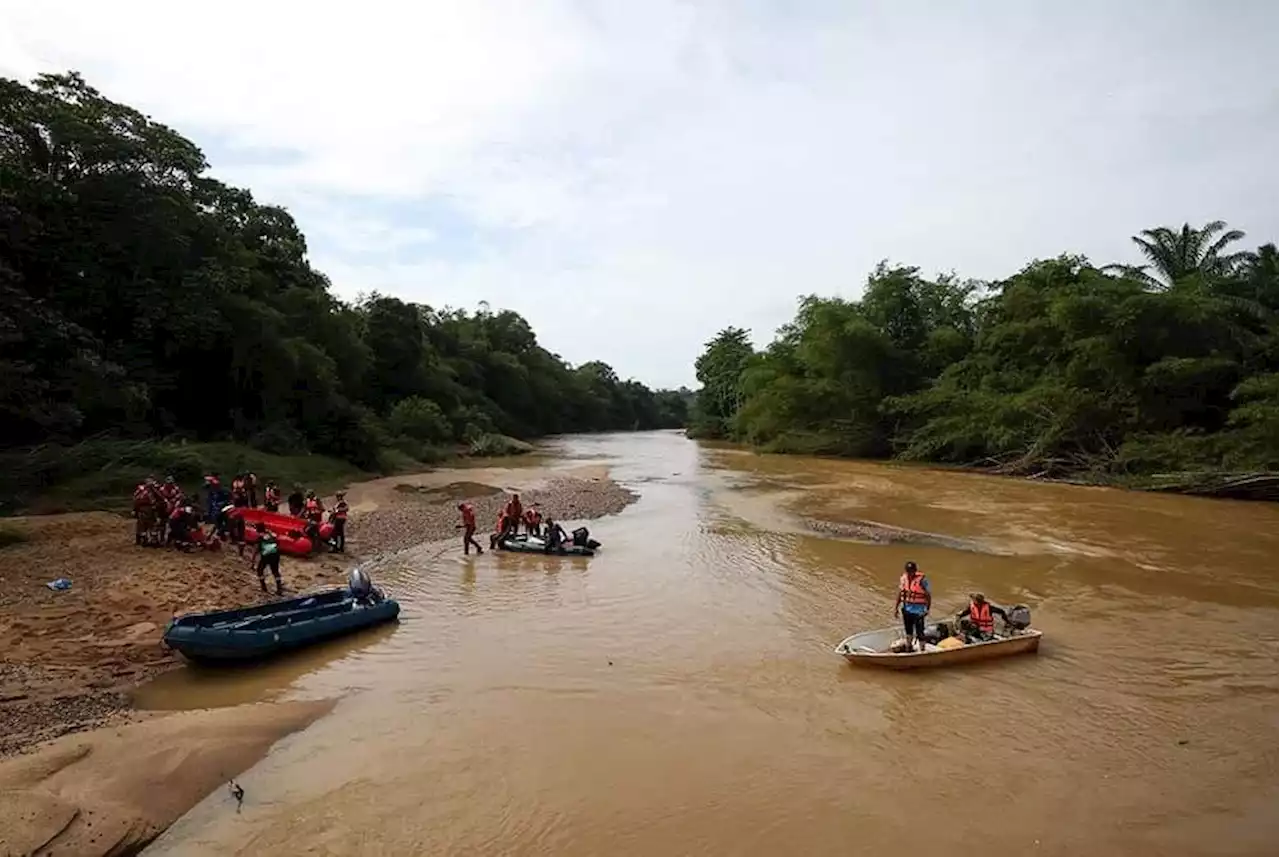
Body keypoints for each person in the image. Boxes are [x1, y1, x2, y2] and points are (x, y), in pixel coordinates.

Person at [893, 560, 932, 652]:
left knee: (920, 632)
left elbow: (928, 596)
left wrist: (927, 609)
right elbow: (900, 593)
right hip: (907, 609)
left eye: (912, 571)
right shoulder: (903, 579)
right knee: (908, 631)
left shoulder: (922, 580)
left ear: (915, 571)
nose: (910, 573)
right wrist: (896, 608)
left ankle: (922, 650)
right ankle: (908, 647)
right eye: (908, 571)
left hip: (919, 611)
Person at [250, 523, 283, 595]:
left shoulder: (259, 538)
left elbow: (255, 551)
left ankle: (263, 587)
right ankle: (279, 588)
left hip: (266, 556)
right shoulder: (271, 534)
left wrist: (252, 562)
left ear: (257, 530)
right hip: (275, 555)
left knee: (260, 570)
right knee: (275, 571)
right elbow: (278, 543)